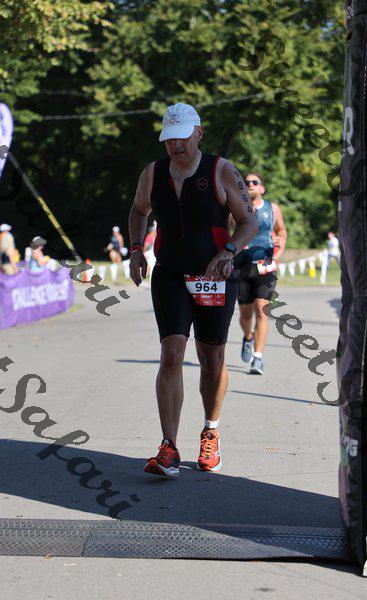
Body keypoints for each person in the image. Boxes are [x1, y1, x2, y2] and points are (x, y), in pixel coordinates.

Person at [128, 102, 258, 478]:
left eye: (183, 137)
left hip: (214, 276)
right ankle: (168, 446)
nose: (176, 145)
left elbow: (249, 222)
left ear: (199, 133)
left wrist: (228, 251)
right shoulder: (153, 173)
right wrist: (136, 250)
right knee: (171, 354)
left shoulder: (221, 170)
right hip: (169, 274)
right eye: (170, 138)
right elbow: (138, 211)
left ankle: (210, 432)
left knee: (211, 358)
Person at [235, 173, 287, 375]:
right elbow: (226, 230)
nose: (250, 185)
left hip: (265, 266)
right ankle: (248, 337)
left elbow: (281, 232)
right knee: (245, 315)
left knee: (261, 310)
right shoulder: (237, 208)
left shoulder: (272, 209)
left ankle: (258, 357)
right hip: (242, 266)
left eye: (254, 182)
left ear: (262, 188)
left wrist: (278, 250)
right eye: (246, 182)